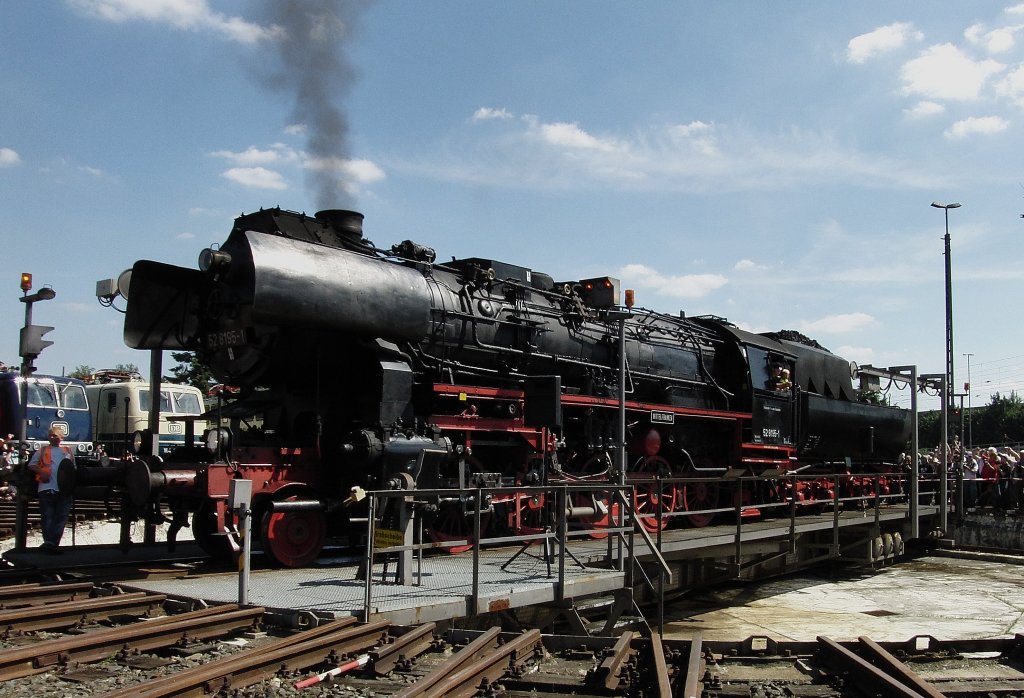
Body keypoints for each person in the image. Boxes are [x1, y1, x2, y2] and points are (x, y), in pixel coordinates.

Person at [26, 427, 74, 554]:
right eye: (50, 435)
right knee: (48, 516)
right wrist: (41, 471)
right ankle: (49, 542)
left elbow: (72, 468)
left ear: (61, 437)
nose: (52, 437)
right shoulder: (42, 450)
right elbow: (31, 465)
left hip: (64, 489)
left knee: (61, 517)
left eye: (55, 435)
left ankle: (52, 543)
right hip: (47, 487)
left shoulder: (68, 451)